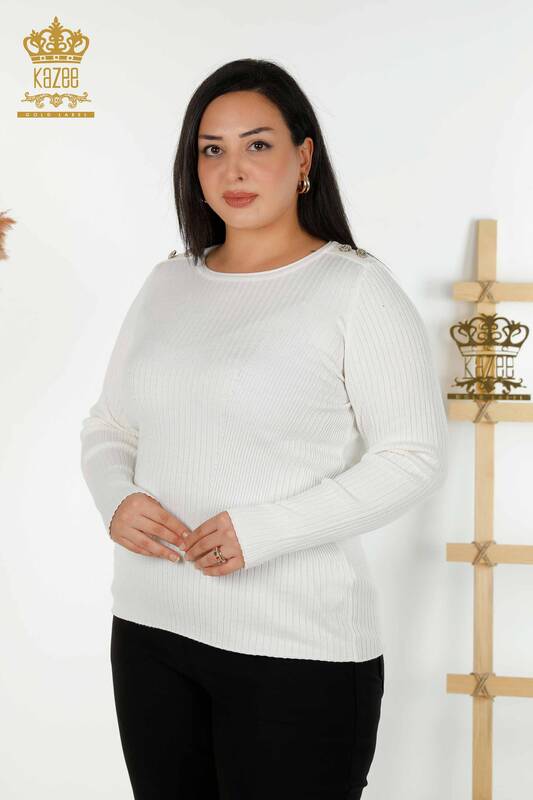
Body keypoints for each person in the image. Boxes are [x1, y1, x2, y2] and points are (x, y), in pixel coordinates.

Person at [80, 58, 448, 799]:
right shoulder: (169, 282)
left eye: (257, 144)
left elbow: (411, 457)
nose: (233, 169)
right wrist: (115, 498)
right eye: (211, 149)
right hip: (150, 633)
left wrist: (264, 532)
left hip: (295, 652)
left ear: (303, 157)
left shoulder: (354, 288)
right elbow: (110, 425)